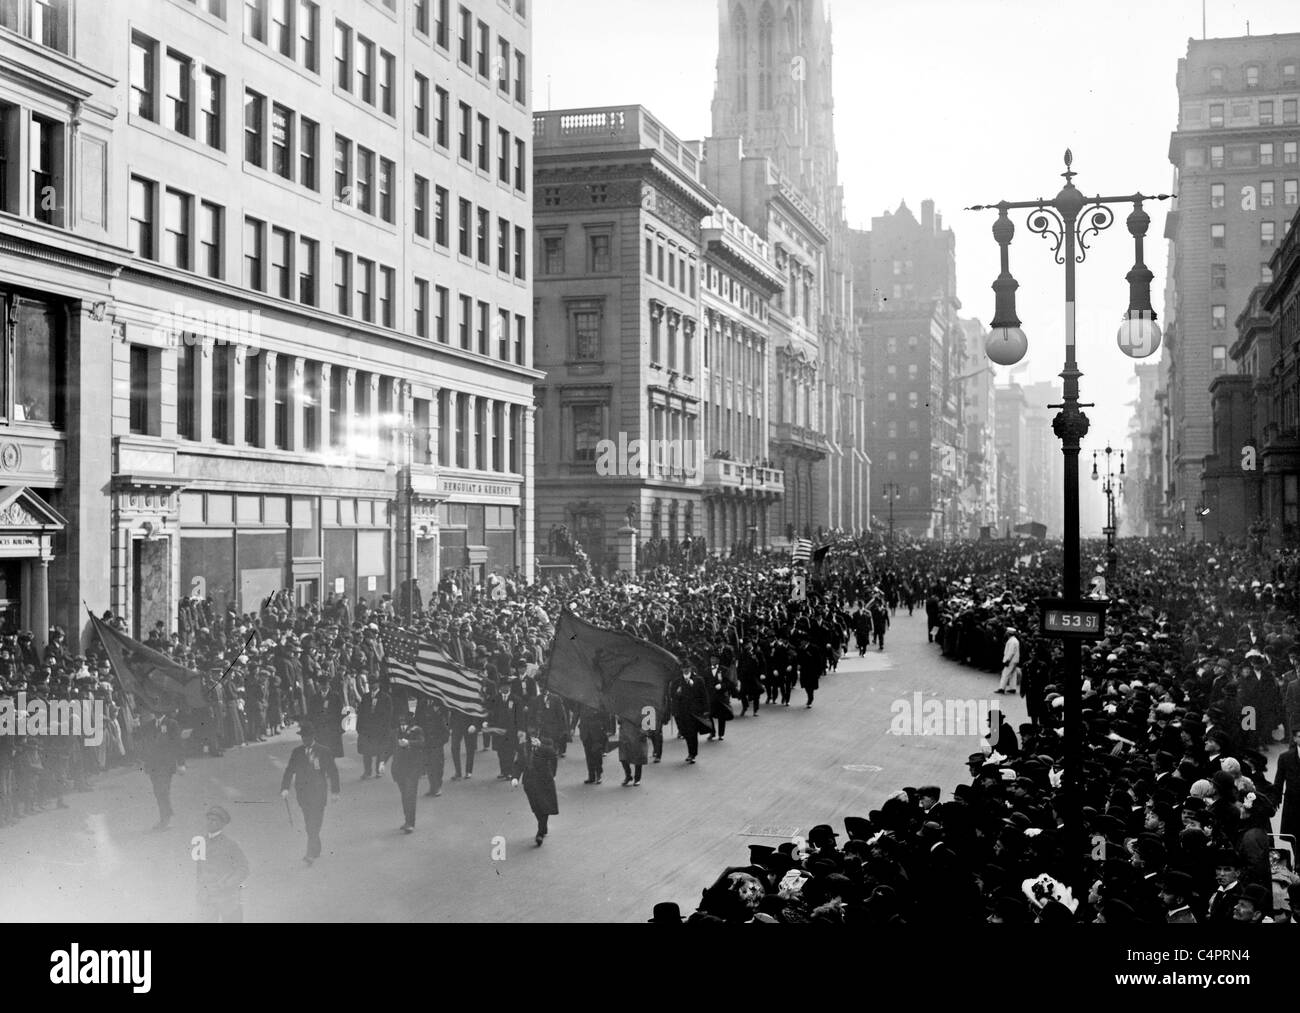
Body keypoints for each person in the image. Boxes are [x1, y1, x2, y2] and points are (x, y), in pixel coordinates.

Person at [280, 721, 341, 866]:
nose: (304, 739)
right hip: (303, 794)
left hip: (319, 793)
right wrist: (285, 788)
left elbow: (333, 771)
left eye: (307, 737)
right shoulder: (297, 752)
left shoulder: (324, 751)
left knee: (315, 823)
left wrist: (335, 791)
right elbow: (289, 770)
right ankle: (316, 848)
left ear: (313, 737)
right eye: (303, 737)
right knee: (309, 824)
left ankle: (310, 853)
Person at [196, 806, 249, 923]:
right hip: (208, 897)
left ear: (222, 824)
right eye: (208, 819)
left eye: (214, 820)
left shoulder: (230, 844)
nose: (210, 822)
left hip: (227, 897)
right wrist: (200, 889)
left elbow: (243, 868)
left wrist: (228, 883)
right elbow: (199, 869)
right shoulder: (202, 842)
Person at [142, 709, 185, 831]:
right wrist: (145, 762)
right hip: (153, 765)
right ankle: (166, 815)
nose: (156, 713)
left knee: (163, 790)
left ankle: (165, 819)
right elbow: (146, 745)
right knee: (158, 792)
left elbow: (178, 744)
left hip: (166, 764)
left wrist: (181, 763)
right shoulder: (149, 725)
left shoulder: (172, 724)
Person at [512, 733, 558, 846]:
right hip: (529, 781)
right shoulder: (523, 745)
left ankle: (540, 832)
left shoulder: (546, 741)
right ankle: (543, 826)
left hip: (544, 780)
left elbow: (553, 756)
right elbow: (518, 763)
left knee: (544, 805)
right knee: (536, 806)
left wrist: (541, 745)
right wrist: (515, 777)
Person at [391, 696, 425, 833]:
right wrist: (382, 762)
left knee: (410, 795)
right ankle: (407, 820)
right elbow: (389, 748)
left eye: (405, 723)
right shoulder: (395, 733)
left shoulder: (417, 730)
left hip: (413, 768)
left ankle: (411, 822)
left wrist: (409, 743)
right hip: (399, 769)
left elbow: (422, 742)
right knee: (405, 795)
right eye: (401, 723)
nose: (402, 725)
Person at [671, 665, 709, 764]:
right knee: (686, 733)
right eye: (684, 668)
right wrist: (677, 693)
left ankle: (692, 754)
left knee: (692, 733)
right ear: (681, 669)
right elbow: (671, 695)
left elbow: (704, 695)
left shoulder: (698, 680)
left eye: (687, 668)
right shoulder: (677, 681)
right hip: (682, 712)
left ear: (691, 669)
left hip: (694, 712)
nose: (686, 670)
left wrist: (706, 709)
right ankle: (691, 752)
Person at [355, 680, 392, 780]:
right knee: (366, 752)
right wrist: (358, 726)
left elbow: (388, 715)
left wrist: (386, 728)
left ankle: (379, 771)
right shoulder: (366, 697)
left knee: (381, 751)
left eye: (374, 683)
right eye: (370, 683)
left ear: (378, 684)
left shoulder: (385, 697)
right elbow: (361, 712)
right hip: (367, 729)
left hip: (380, 728)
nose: (372, 685)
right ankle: (367, 771)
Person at [420, 699, 449, 797]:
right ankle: (432, 787)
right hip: (427, 743)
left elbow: (445, 731)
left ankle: (438, 787)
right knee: (429, 766)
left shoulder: (440, 716)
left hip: (437, 744)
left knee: (437, 766)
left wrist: (440, 742)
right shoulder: (426, 712)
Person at [1277, 728, 1300, 843]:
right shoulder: (1285, 757)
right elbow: (1279, 780)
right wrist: (1276, 800)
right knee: (1294, 836)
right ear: (1295, 738)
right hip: (1293, 803)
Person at [579, 705, 612, 785]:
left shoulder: (599, 702)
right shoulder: (581, 701)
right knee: (588, 755)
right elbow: (576, 713)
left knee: (597, 754)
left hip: (597, 732)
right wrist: (572, 727)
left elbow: (606, 715)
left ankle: (598, 774)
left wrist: (606, 728)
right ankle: (591, 776)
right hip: (585, 732)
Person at [618, 715, 646, 786]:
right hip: (625, 735)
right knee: (623, 757)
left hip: (637, 734)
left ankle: (637, 779)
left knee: (638, 757)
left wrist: (643, 733)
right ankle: (628, 776)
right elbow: (619, 721)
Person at [997, 627, 1021, 695]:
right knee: (1013, 674)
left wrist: (1007, 660)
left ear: (1008, 633)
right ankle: (1013, 688)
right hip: (1015, 660)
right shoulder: (1015, 640)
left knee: (1005, 673)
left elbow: (1011, 652)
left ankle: (1001, 688)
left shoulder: (1012, 641)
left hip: (1011, 660)